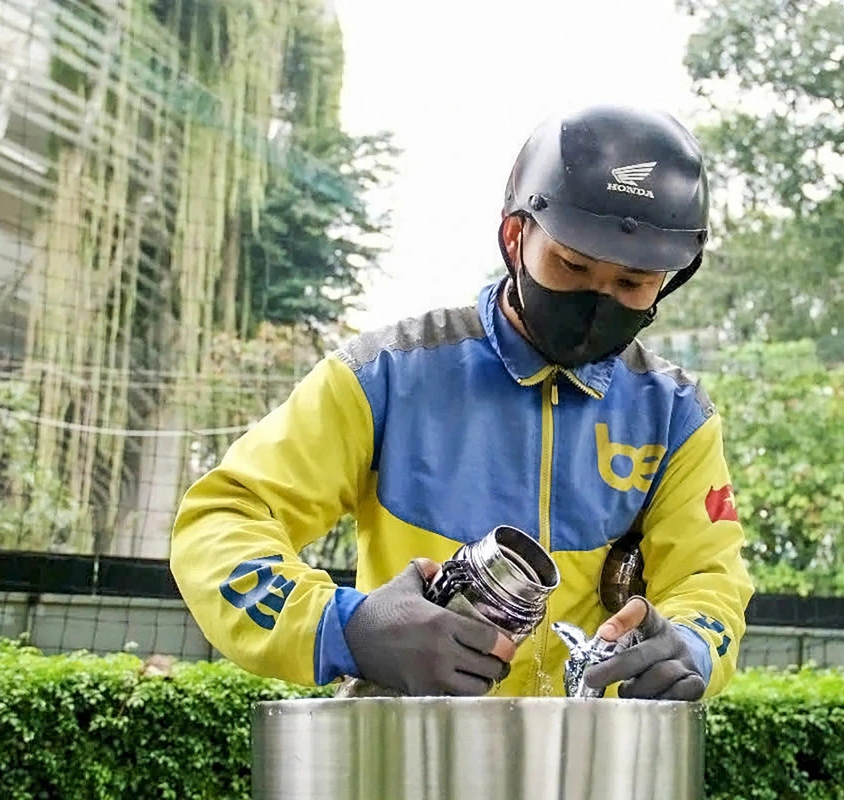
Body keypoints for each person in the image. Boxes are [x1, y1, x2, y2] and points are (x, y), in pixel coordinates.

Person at [170, 104, 754, 701]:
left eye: (632, 283)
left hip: (585, 769)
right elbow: (223, 519)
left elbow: (710, 579)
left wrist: (693, 647)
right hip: (403, 763)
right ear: (514, 236)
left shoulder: (676, 417)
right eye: (572, 264)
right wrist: (340, 625)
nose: (598, 298)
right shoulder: (389, 376)